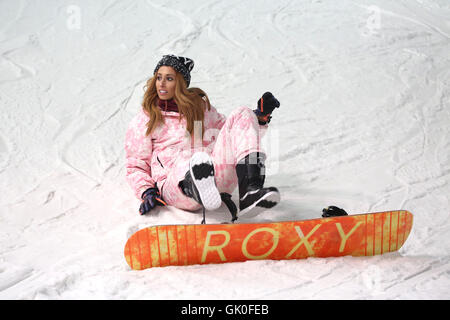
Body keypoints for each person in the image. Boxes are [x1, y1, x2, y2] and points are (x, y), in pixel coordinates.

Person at [124, 54, 281, 222]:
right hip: (175, 186)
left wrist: (260, 118)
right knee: (194, 159)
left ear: (181, 83)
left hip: (215, 176)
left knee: (242, 112)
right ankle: (197, 180)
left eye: (169, 78)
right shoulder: (146, 118)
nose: (161, 83)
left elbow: (236, 136)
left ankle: (251, 189)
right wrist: (146, 190)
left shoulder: (201, 109)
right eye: (159, 77)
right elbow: (135, 165)